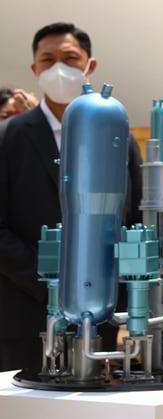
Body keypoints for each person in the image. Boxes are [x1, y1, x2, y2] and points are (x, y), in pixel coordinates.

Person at [0, 23, 142, 373]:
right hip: (25, 307)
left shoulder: (118, 135)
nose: (58, 68)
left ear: (89, 66)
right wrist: (45, 279)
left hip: (100, 307)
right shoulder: (10, 136)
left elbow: (134, 214)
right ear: (34, 69)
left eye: (69, 58)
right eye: (47, 60)